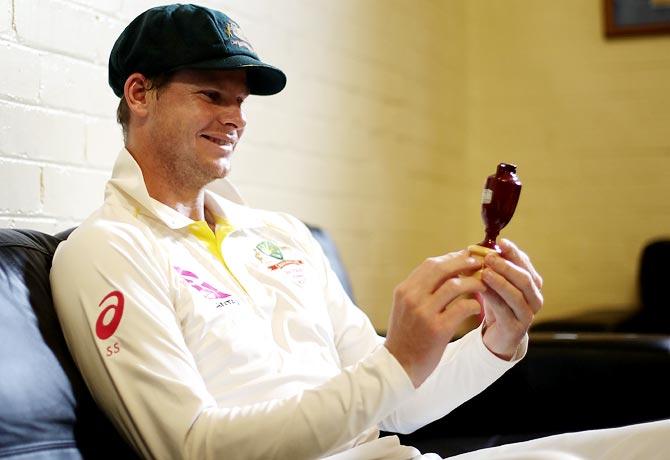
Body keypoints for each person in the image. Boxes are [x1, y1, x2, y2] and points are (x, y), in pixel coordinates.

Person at [50, 4, 550, 459]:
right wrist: (394, 361)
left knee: (630, 441)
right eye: (211, 95)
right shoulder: (107, 249)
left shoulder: (280, 233)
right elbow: (191, 447)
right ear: (139, 94)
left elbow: (396, 402)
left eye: (241, 101)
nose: (235, 120)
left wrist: (496, 340)